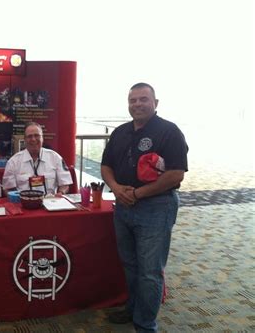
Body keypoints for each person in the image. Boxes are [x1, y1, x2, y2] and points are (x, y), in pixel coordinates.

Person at [101, 82, 188, 332]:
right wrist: (117, 188)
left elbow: (175, 175)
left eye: (143, 99)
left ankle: (145, 324)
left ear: (155, 103)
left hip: (156, 208)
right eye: (133, 100)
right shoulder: (120, 132)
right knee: (129, 264)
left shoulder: (169, 132)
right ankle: (133, 309)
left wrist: (137, 193)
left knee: (150, 272)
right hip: (123, 207)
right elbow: (106, 166)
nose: (137, 104)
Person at [2, 122, 72, 195]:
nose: (33, 139)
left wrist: (61, 192)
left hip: (50, 202)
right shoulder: (13, 162)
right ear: (25, 139)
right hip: (24, 204)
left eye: (37, 135)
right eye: (29, 136)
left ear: (42, 138)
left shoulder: (55, 157)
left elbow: (65, 183)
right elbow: (8, 189)